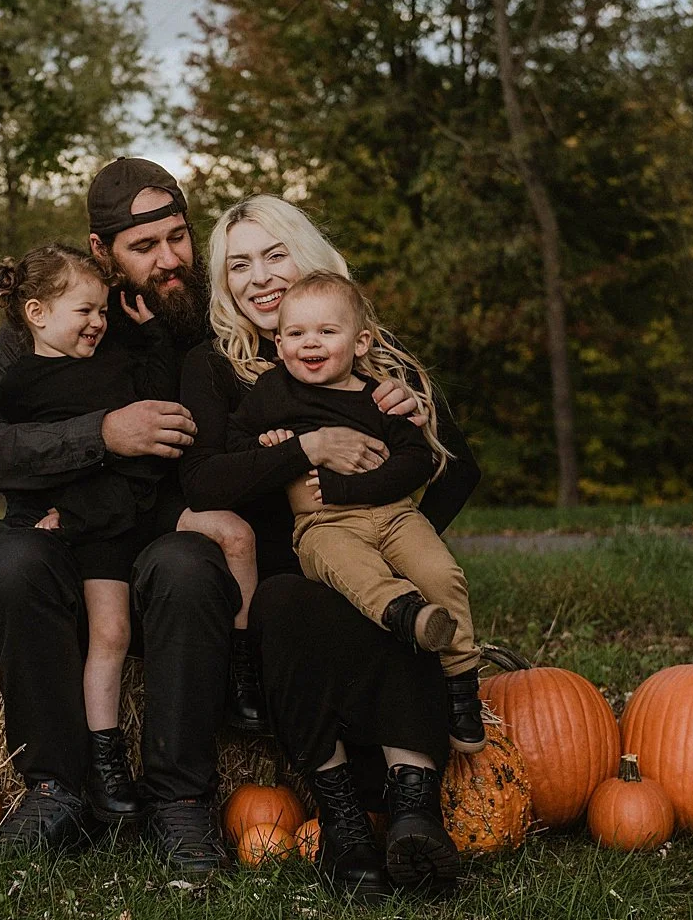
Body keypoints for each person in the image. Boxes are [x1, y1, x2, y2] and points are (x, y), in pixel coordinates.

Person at [180, 194, 482, 897]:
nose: (259, 277)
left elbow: (457, 467)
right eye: (238, 265)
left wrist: (396, 527)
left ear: (308, 255)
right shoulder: (217, 366)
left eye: (275, 254)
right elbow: (204, 478)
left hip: (371, 556)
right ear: (223, 285)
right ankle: (343, 822)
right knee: (290, 603)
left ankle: (415, 810)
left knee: (399, 606)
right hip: (286, 573)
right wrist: (305, 450)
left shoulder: (360, 342)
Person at [0, 159, 241, 871]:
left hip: (165, 548)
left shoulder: (218, 312)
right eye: (144, 248)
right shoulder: (63, 313)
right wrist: (103, 433)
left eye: (177, 237)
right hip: (76, 547)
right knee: (14, 567)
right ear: (101, 252)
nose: (170, 259)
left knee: (189, 565)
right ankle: (56, 788)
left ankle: (180, 801)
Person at [0, 241, 266, 823]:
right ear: (37, 315)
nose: (98, 323)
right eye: (84, 312)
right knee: (109, 633)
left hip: (148, 508)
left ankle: (245, 672)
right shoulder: (20, 383)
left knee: (236, 534)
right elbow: (7, 453)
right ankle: (103, 760)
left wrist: (151, 338)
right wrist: (70, 487)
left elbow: (153, 393)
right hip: (101, 526)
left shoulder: (110, 358)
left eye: (101, 312)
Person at [225, 269, 486, 754]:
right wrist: (271, 446)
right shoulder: (273, 395)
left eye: (327, 332)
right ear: (279, 345)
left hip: (395, 514)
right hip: (324, 524)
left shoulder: (378, 396)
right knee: (350, 566)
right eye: (297, 334)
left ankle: (460, 684)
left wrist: (346, 486)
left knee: (442, 572)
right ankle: (405, 614)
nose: (311, 344)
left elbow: (418, 459)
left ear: (361, 341)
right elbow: (235, 443)